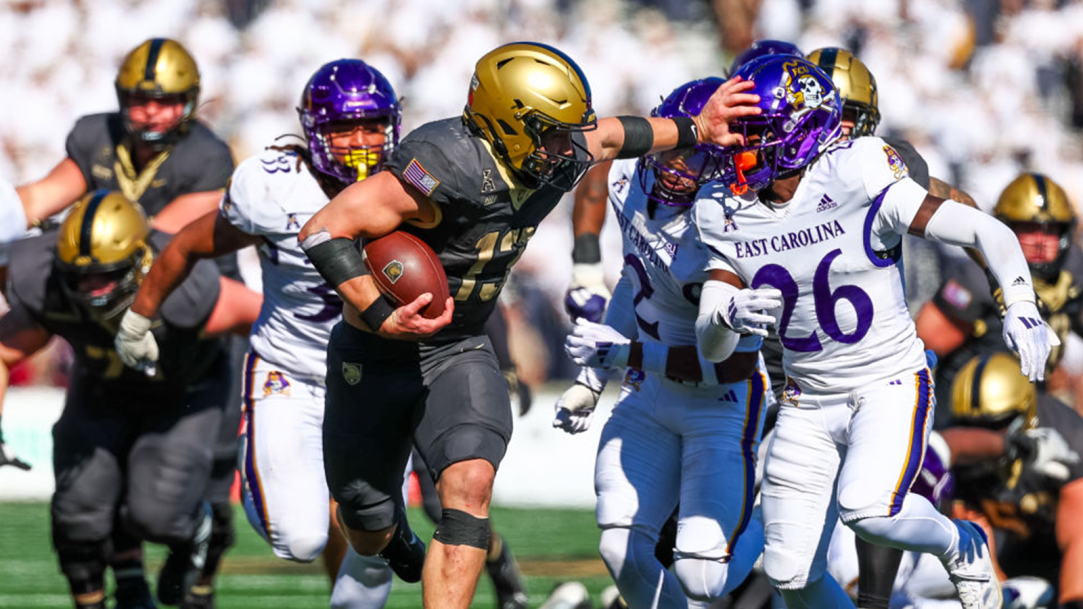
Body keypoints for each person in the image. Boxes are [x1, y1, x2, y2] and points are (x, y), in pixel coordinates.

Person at [296, 41, 762, 608]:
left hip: (457, 348)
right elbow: (324, 230)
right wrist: (380, 312)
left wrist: (698, 127)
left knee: (469, 487)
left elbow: (615, 136)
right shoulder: (444, 165)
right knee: (364, 518)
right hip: (373, 353)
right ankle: (394, 541)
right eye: (553, 134)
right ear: (506, 126)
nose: (568, 149)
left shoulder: (549, 151)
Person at [693, 54, 1053, 609]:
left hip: (886, 382)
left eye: (751, 132)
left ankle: (962, 543)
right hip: (805, 399)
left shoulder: (857, 169)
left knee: (869, 510)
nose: (734, 145)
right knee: (790, 574)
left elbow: (980, 227)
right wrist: (726, 316)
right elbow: (709, 341)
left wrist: (1021, 303)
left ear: (795, 131)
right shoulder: (721, 209)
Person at [113, 59, 407, 609]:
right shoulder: (273, 188)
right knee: (299, 539)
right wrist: (139, 315)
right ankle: (231, 505)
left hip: (380, 381)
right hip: (290, 372)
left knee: (377, 543)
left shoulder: (418, 184)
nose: (360, 142)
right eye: (343, 128)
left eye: (372, 125)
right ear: (313, 130)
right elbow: (188, 244)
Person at [12, 37, 241, 608]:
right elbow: (38, 199)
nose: (150, 113)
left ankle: (200, 552)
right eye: (139, 100)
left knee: (189, 491)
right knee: (90, 492)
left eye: (164, 102)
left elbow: (156, 241)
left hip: (190, 317)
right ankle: (130, 581)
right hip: (107, 319)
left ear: (189, 104)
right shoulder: (95, 136)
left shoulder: (207, 157)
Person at [556, 78, 769, 607]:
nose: (677, 163)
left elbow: (730, 366)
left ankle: (778, 526)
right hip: (650, 392)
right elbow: (634, 278)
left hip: (719, 402)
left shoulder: (731, 228)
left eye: (696, 157)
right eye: (674, 145)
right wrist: (592, 378)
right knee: (619, 541)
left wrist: (623, 356)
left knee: (702, 577)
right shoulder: (631, 178)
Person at [0, 190, 258, 609]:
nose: (91, 290)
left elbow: (262, 319)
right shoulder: (45, 279)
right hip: (102, 387)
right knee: (77, 513)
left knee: (159, 515)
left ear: (141, 262)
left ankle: (197, 528)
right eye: (80, 277)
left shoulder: (186, 291)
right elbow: (5, 350)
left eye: (105, 275)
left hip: (184, 393)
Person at [915, 172, 1083, 422]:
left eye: (1050, 231)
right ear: (1005, 228)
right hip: (970, 416)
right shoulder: (976, 279)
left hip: (1031, 405)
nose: (1039, 241)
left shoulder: (1072, 272)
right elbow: (920, 353)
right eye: (1028, 228)